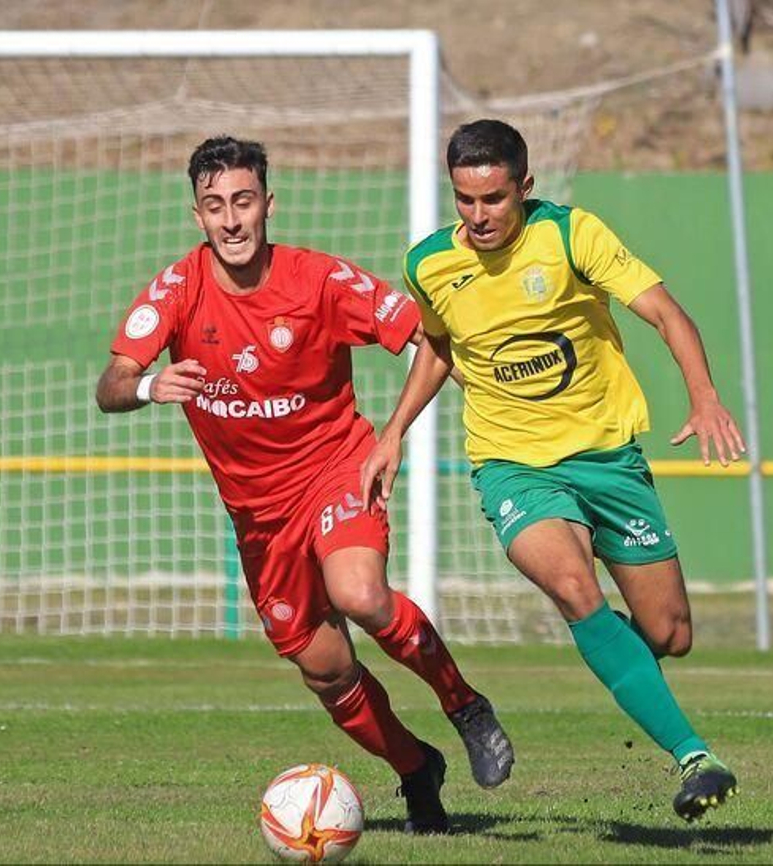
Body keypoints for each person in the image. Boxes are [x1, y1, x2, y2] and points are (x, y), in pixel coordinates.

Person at [96, 136, 513, 834]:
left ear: (267, 205)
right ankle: (417, 769)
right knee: (327, 671)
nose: (231, 220)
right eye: (214, 206)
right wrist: (146, 383)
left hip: (335, 468)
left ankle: (464, 704)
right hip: (259, 519)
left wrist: (409, 429)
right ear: (197, 216)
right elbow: (108, 384)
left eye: (243, 202)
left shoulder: (319, 280)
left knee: (360, 594)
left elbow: (428, 337)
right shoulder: (175, 291)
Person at [360, 119, 746, 822]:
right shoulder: (430, 265)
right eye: (465, 200)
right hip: (513, 467)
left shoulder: (573, 235)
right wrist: (394, 434)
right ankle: (695, 755)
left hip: (609, 458)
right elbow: (440, 348)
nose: (478, 216)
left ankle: (627, 666)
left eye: (494, 199)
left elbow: (667, 313)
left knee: (668, 636)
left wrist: (705, 395)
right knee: (574, 586)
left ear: (525, 187)